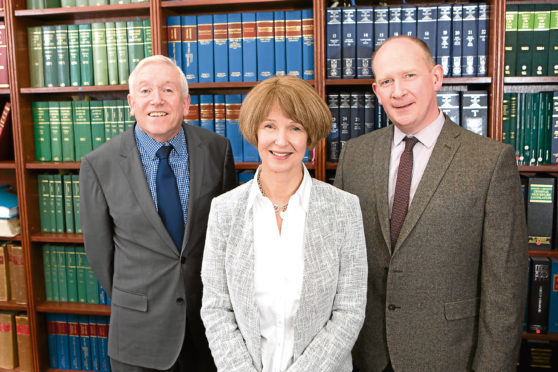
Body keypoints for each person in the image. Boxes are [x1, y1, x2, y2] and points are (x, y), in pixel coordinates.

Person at [334, 36, 528, 371]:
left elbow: (505, 289)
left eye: (409, 76)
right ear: (376, 91)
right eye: (387, 81)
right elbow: (338, 259)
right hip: (365, 355)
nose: (398, 91)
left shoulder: (490, 161)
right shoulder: (355, 155)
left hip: (449, 356)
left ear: (436, 77)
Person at [80, 55, 236, 372]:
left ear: (185, 102)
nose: (157, 100)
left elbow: (227, 238)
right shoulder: (99, 164)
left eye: (167, 90)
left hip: (207, 329)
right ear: (131, 102)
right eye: (146, 90)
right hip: (139, 334)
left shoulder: (217, 150)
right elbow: (100, 254)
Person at [200, 75, 367, 372]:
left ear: (309, 137)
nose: (281, 140)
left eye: (295, 128)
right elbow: (216, 309)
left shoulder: (344, 209)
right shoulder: (224, 210)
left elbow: (349, 311)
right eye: (269, 126)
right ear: (255, 131)